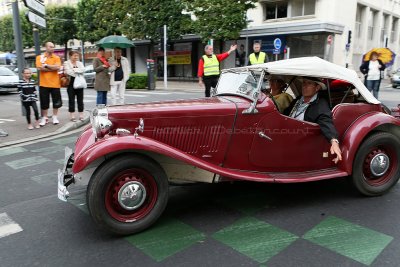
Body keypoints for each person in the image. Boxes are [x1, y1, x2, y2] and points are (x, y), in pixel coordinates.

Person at [284, 77, 342, 164]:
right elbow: (285, 113)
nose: (304, 86)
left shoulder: (320, 104)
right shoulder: (299, 99)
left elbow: (326, 121)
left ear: (317, 88)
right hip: (285, 133)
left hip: (300, 140)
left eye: (309, 83)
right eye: (304, 83)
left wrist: (334, 141)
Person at [36, 42, 62, 126]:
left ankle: (55, 117)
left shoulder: (57, 57)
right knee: (44, 102)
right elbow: (40, 68)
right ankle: (44, 118)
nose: (52, 48)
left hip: (55, 84)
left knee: (56, 102)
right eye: (50, 47)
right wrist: (52, 67)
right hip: (44, 84)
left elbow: (58, 67)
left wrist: (46, 65)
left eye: (53, 47)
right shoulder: (40, 57)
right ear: (46, 47)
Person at [64, 50, 85, 121]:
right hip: (70, 83)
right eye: (74, 55)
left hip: (79, 82)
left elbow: (83, 70)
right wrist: (78, 71)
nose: (76, 57)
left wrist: (74, 70)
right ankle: (72, 115)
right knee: (71, 99)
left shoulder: (80, 63)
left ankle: (81, 115)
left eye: (77, 56)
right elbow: (68, 72)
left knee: (80, 99)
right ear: (70, 56)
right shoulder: (66, 63)